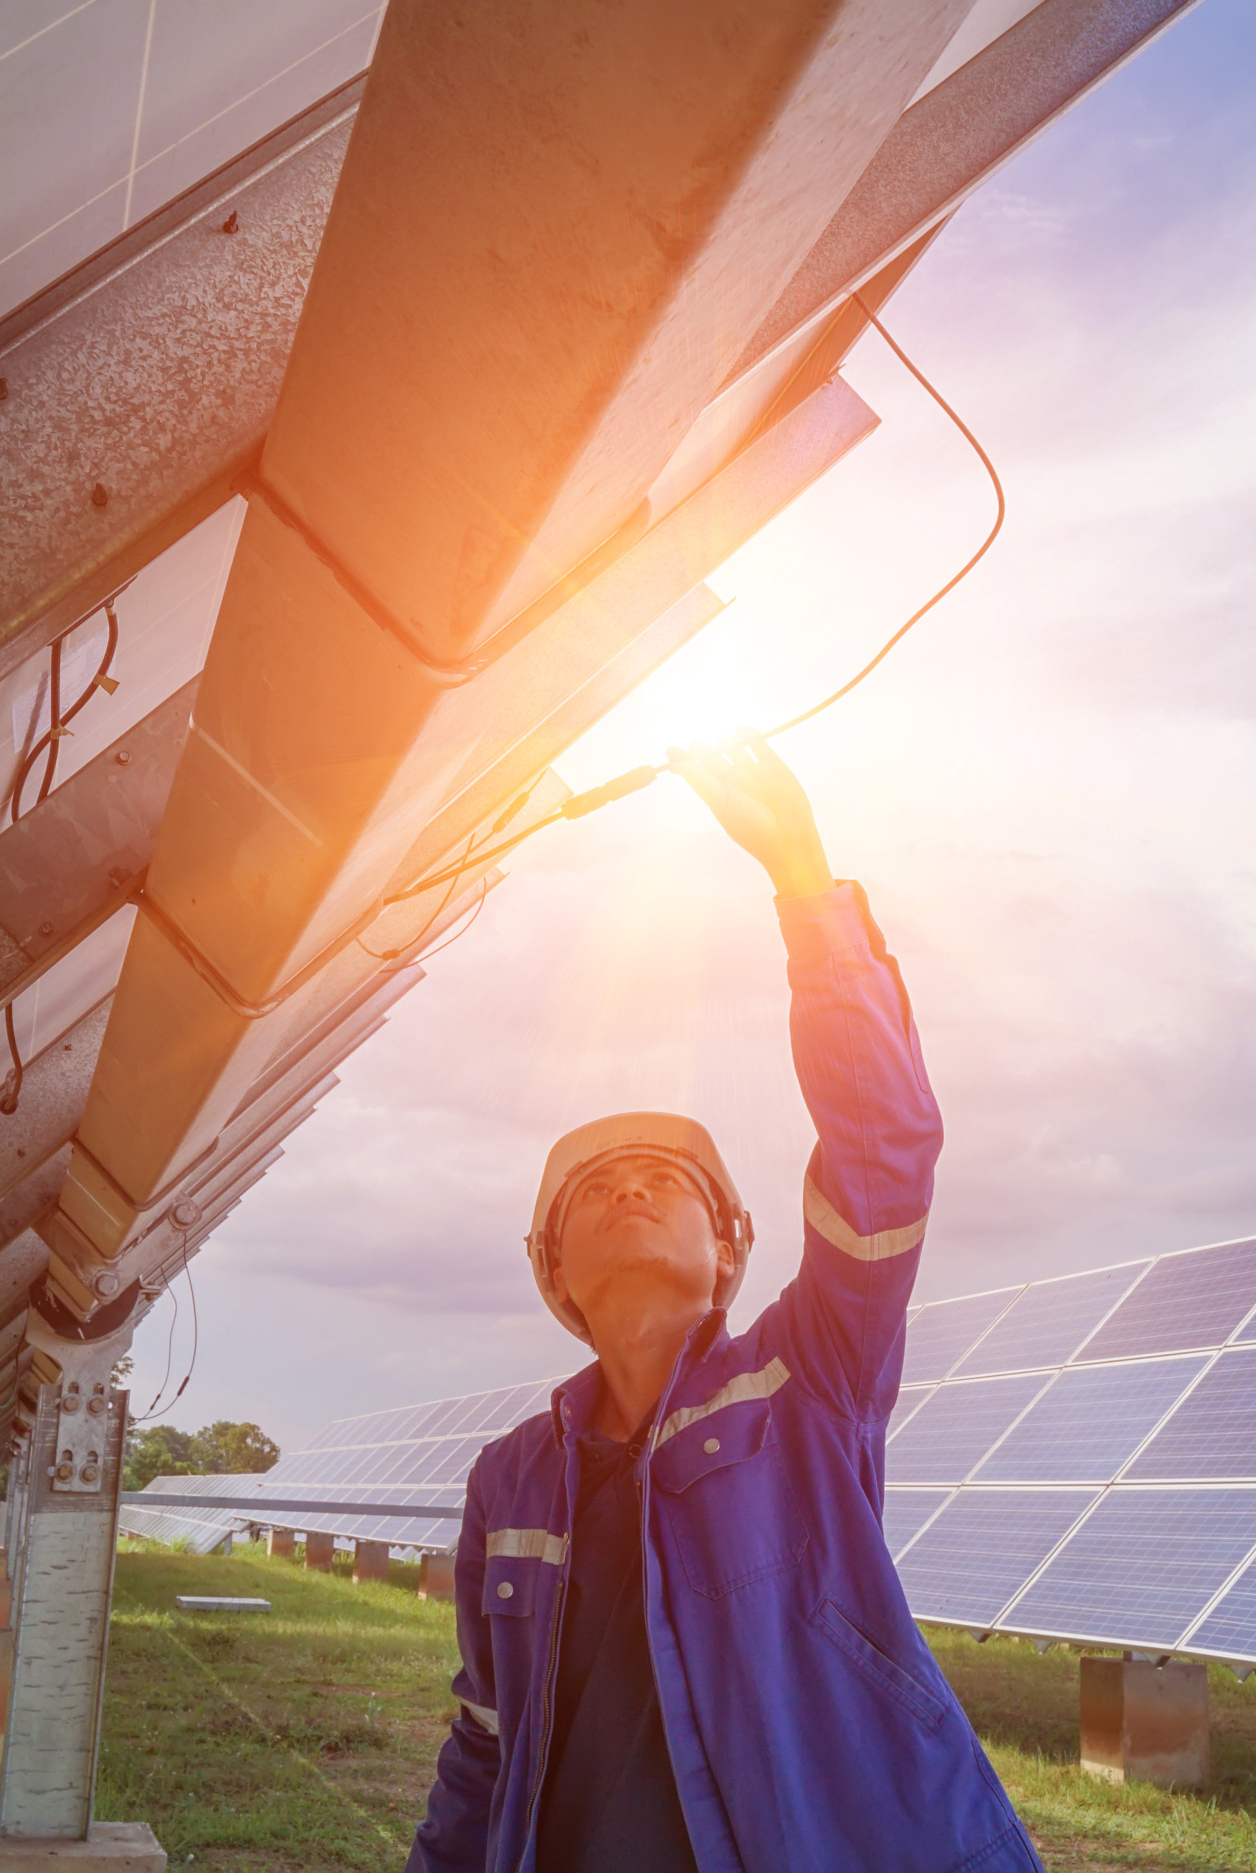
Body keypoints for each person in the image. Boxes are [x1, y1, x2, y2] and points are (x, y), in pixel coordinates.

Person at [406, 731, 1038, 1873]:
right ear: (554, 1274)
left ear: (731, 1251)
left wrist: (802, 882)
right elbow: (484, 1743)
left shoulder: (807, 1384)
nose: (631, 1190)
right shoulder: (507, 1479)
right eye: (596, 1191)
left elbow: (882, 1154)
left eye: (668, 1185)